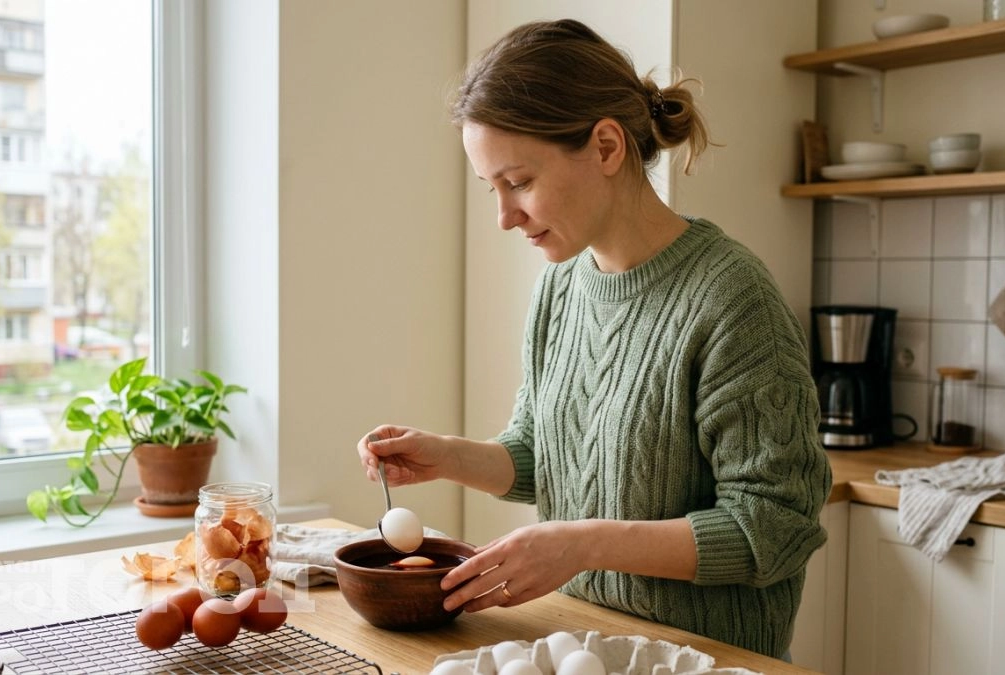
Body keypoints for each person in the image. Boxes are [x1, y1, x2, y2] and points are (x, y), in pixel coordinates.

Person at [356, 18, 831, 660]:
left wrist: (582, 544)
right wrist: (446, 456)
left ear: (607, 147)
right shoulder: (560, 288)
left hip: (703, 660)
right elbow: (546, 454)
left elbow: (775, 527)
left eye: (519, 182)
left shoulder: (731, 299)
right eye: (492, 188)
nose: (504, 217)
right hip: (577, 644)